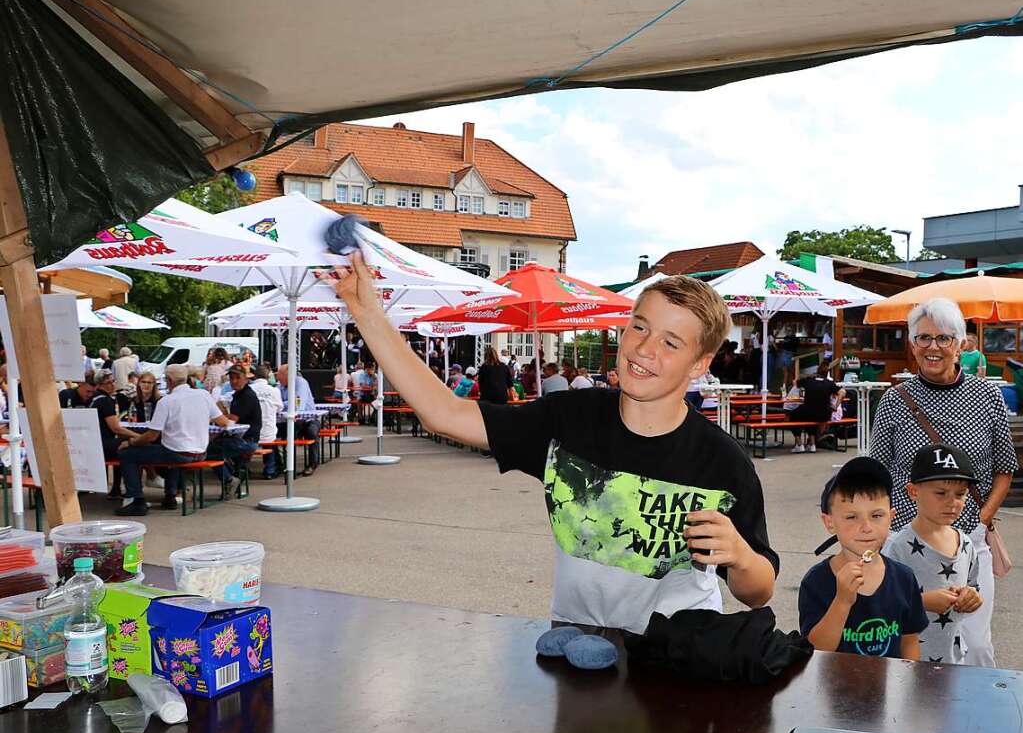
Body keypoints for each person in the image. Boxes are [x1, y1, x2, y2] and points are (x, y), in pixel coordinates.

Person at [333, 253, 777, 633]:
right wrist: (366, 310)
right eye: (639, 327)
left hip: (680, 656)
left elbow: (759, 592)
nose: (644, 348)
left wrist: (738, 555)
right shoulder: (569, 418)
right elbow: (443, 414)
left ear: (699, 364)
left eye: (671, 342)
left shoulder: (722, 460)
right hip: (576, 643)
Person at [871, 297, 1017, 668]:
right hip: (906, 542)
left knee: (975, 645)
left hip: (969, 540)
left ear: (960, 343)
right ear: (912, 344)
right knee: (909, 642)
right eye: (923, 338)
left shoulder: (987, 395)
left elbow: (1005, 467)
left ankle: (975, 722)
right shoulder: (893, 400)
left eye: (943, 338)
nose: (933, 347)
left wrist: (982, 518)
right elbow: (878, 470)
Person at [798, 456, 928, 658]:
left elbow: (909, 641)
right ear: (829, 522)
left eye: (876, 516)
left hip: (890, 688)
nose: (866, 528)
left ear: (891, 517)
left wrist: (909, 684)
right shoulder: (816, 581)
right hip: (835, 687)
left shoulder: (904, 577)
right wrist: (842, 601)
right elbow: (815, 650)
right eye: (851, 517)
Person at [882, 443, 983, 664]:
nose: (952, 502)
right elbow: (881, 605)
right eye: (941, 493)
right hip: (906, 664)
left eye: (960, 494)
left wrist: (971, 597)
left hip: (953, 660)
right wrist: (922, 602)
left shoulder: (965, 543)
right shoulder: (897, 547)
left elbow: (974, 587)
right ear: (913, 492)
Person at [115, 363, 230, 516]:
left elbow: (151, 436)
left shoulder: (167, 401)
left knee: (128, 454)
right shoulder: (203, 395)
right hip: (201, 451)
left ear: (169, 381)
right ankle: (170, 494)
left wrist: (130, 442)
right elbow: (223, 422)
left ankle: (135, 499)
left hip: (177, 452)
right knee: (171, 449)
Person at [208, 365, 262, 497]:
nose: (234, 381)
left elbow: (230, 421)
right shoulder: (238, 395)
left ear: (246, 378)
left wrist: (217, 413)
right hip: (240, 438)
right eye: (231, 378)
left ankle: (230, 478)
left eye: (238, 377)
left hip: (246, 441)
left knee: (208, 451)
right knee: (212, 448)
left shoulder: (247, 396)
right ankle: (234, 475)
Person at [91, 370, 142, 501]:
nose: (112, 385)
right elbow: (116, 428)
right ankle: (133, 489)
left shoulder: (94, 398)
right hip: (102, 445)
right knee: (129, 446)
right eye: (108, 383)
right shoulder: (105, 401)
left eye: (113, 381)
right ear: (99, 385)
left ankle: (116, 488)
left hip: (94, 443)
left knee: (123, 443)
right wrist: (137, 436)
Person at [788, 365, 845, 454]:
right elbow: (842, 392)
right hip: (824, 414)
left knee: (792, 416)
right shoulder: (829, 383)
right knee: (811, 418)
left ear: (817, 372)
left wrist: (807, 377)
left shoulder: (809, 380)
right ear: (827, 374)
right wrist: (836, 406)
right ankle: (812, 445)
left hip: (809, 410)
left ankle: (799, 444)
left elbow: (795, 382)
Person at [276, 362, 320, 476]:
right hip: (289, 420)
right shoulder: (279, 385)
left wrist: (282, 404)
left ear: (289, 376)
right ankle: (279, 464)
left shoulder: (301, 383)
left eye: (280, 376)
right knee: (270, 432)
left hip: (309, 419)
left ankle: (312, 464)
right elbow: (275, 401)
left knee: (311, 432)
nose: (278, 379)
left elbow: (297, 405)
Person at [250, 366, 284, 479]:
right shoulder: (274, 391)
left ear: (254, 376)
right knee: (270, 439)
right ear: (268, 376)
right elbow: (280, 408)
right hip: (268, 431)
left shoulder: (249, 389)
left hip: (251, 432)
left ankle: (243, 468)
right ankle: (270, 469)